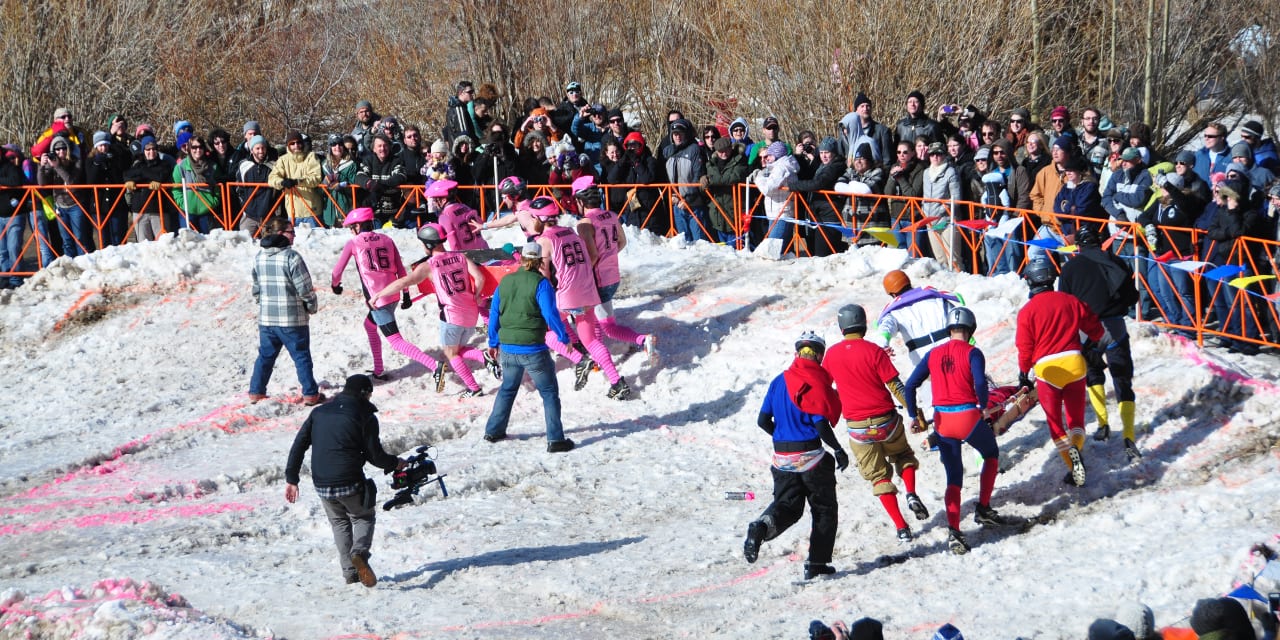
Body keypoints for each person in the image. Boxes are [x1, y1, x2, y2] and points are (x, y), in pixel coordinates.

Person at [742, 332, 848, 581]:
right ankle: (817, 563)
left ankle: (761, 527)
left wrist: (781, 436)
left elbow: (762, 420)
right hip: (810, 455)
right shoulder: (813, 381)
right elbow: (821, 424)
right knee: (824, 509)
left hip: (782, 456)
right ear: (819, 354)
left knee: (788, 506)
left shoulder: (778, 381)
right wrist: (838, 449)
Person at [904, 307, 1009, 555]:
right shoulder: (973, 352)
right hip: (967, 416)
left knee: (953, 477)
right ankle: (983, 508)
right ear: (970, 329)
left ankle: (954, 531)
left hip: (942, 420)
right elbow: (981, 383)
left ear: (948, 329)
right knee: (990, 453)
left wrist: (914, 415)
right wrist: (982, 407)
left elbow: (910, 386)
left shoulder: (932, 354)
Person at [284, 374, 406, 588]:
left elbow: (299, 445)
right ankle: (359, 553)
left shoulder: (319, 412)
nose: (370, 397)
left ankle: (350, 573)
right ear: (363, 393)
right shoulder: (365, 416)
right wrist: (395, 463)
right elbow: (375, 456)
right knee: (363, 517)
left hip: (321, 483)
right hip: (348, 480)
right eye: (369, 393)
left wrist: (292, 479)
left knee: (339, 523)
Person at [822, 304, 928, 543]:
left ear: (841, 328)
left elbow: (824, 387)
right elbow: (896, 386)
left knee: (878, 477)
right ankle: (910, 493)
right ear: (864, 324)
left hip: (858, 429)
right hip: (887, 422)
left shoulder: (832, 355)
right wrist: (914, 412)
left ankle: (902, 528)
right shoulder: (874, 351)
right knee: (903, 455)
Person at [371, 224, 493, 397]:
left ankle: (474, 388)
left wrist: (379, 295)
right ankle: (483, 358)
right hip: (471, 313)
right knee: (458, 349)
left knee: (451, 354)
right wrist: (475, 296)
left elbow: (404, 282)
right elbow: (479, 278)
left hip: (451, 315)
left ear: (428, 244)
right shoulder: (461, 257)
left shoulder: (429, 265)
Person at [1015, 261, 1107, 487]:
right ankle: (1076, 445)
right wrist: (1095, 343)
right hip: (1075, 363)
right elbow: (1096, 328)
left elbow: (1025, 347)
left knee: (1055, 423)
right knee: (1076, 419)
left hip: (1047, 369)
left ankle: (1074, 469)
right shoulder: (1071, 301)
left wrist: (1024, 371)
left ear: (1030, 281)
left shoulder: (1027, 311)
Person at [330, 206, 445, 386]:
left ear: (358, 227)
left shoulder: (354, 243)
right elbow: (400, 268)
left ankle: (434, 366)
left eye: (352, 227)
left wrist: (335, 286)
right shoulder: (387, 239)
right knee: (369, 325)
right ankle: (378, 369)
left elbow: (337, 271)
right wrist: (405, 294)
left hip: (377, 300)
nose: (351, 231)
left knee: (396, 341)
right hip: (393, 294)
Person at [530, 196, 631, 399]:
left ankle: (579, 359)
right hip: (588, 291)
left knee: (542, 331)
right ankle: (617, 382)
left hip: (568, 296)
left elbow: (544, 279)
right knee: (591, 340)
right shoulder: (572, 233)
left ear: (540, 218)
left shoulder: (544, 240)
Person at [481, 242, 576, 452]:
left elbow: (494, 313)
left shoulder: (505, 281)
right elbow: (550, 314)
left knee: (507, 389)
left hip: (507, 349)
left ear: (522, 259)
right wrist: (563, 337)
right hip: (533, 350)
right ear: (540, 261)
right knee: (549, 392)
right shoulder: (541, 284)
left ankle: (493, 431)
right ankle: (555, 439)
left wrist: (493, 342)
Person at [1058, 225, 1141, 459]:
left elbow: (1065, 303)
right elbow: (1132, 296)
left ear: (1079, 246)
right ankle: (1129, 437)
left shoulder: (1070, 268)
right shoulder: (1115, 261)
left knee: (1093, 374)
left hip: (1087, 331)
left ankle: (1103, 425)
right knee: (1122, 379)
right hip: (1114, 327)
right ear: (1100, 241)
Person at [248, 217, 323, 405]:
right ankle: (310, 394)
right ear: (280, 233)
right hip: (292, 319)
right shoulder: (291, 257)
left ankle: (256, 391)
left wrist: (263, 303)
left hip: (267, 319)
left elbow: (256, 287)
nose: (294, 235)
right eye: (291, 231)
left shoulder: (260, 256)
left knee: (265, 356)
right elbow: (304, 287)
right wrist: (311, 305)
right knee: (301, 356)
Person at [870, 269, 964, 367]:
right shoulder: (937, 299)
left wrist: (882, 345)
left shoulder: (894, 313)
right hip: (953, 356)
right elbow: (959, 320)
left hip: (925, 364)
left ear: (892, 294)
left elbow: (885, 330)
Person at [664, 118, 709, 244]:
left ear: (687, 134)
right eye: (675, 134)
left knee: (699, 242)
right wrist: (672, 195)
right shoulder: (668, 151)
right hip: (677, 203)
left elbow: (697, 175)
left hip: (693, 203)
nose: (677, 136)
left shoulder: (695, 149)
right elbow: (666, 177)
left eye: (680, 133)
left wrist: (687, 199)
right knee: (683, 242)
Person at [123, 136, 175, 242]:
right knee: (143, 245)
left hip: (158, 209)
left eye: (154, 148)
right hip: (140, 209)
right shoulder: (138, 164)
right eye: (148, 149)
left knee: (163, 243)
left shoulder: (164, 164)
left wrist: (140, 177)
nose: (151, 151)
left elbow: (161, 176)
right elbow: (126, 175)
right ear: (143, 151)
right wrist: (132, 180)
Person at [268, 131, 323, 228]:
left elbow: (316, 178)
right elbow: (272, 178)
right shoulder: (283, 160)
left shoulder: (311, 157)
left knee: (315, 242)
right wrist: (282, 182)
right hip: (293, 211)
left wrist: (298, 181)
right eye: (292, 144)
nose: (296, 146)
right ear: (288, 146)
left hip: (312, 210)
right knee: (295, 241)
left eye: (298, 142)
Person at [171, 135, 223, 234]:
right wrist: (182, 203)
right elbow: (176, 188)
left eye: (200, 147)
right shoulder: (180, 167)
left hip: (207, 211)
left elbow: (218, 186)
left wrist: (214, 201)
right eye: (194, 147)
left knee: (207, 243)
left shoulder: (212, 166)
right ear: (189, 149)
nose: (197, 150)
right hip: (187, 211)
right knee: (188, 244)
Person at [235, 135, 276, 236]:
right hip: (249, 214)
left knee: (270, 243)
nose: (261, 151)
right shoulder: (244, 166)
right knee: (244, 243)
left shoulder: (273, 166)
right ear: (252, 150)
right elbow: (239, 188)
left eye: (263, 148)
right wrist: (245, 205)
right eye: (257, 148)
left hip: (268, 214)